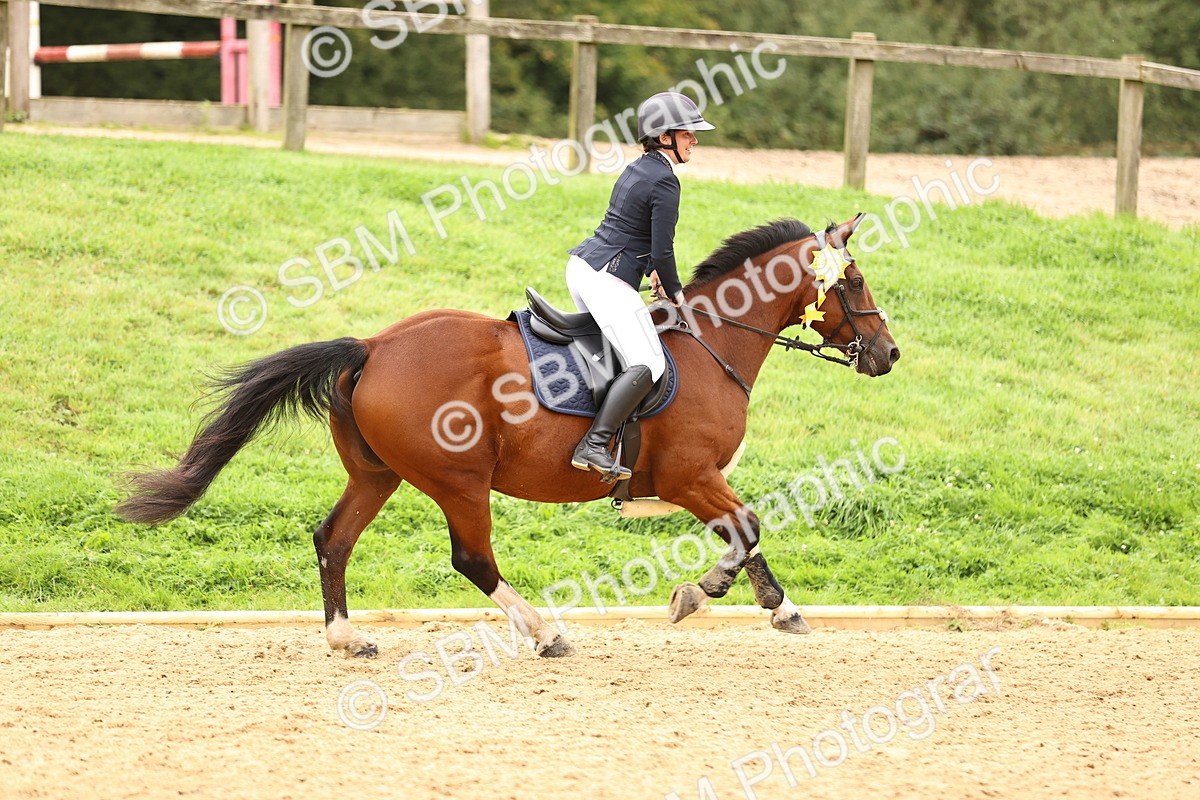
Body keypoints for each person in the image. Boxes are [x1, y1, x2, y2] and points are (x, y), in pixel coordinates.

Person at [566, 91, 715, 480]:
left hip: (584, 267)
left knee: (624, 349)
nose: (694, 140)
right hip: (607, 279)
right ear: (665, 137)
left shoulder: (640, 168)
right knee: (648, 362)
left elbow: (634, 229)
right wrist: (678, 293)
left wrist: (649, 268)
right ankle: (594, 444)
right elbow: (664, 248)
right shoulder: (666, 182)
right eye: (688, 134)